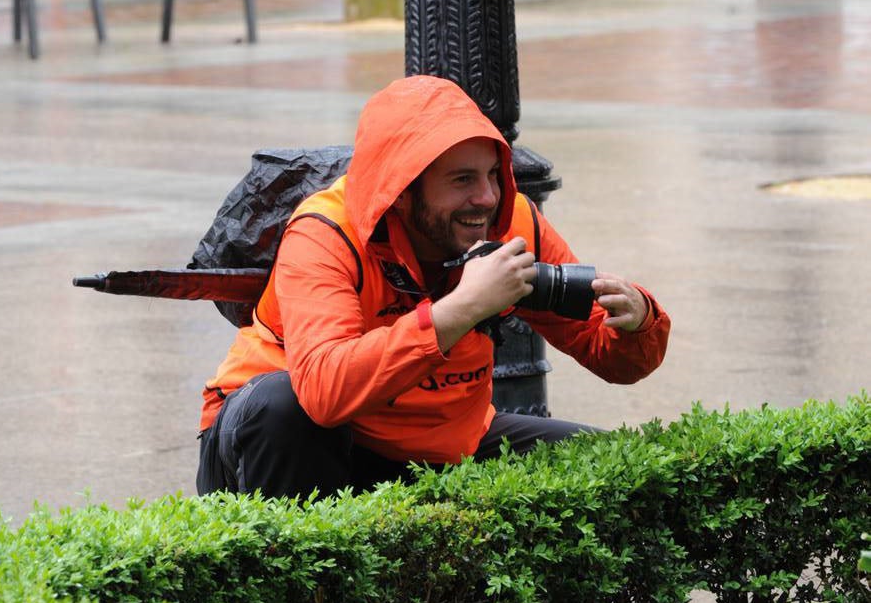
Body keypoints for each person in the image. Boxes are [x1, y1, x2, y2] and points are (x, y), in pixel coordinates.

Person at [197, 75, 670, 498]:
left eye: (491, 175)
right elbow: (324, 393)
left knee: (617, 471)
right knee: (286, 409)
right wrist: (460, 309)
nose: (485, 198)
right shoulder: (326, 231)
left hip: (435, 444)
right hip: (291, 439)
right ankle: (304, 595)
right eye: (462, 180)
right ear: (401, 192)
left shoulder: (509, 223)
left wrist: (637, 322)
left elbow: (610, 355)